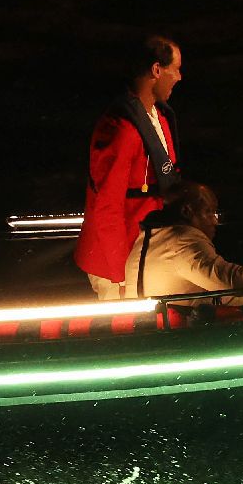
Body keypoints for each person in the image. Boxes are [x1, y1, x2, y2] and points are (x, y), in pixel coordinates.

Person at [74, 35, 183, 300]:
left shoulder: (161, 119)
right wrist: (121, 277)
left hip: (147, 252)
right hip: (120, 262)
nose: (179, 77)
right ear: (157, 70)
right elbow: (107, 206)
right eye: (176, 69)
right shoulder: (120, 129)